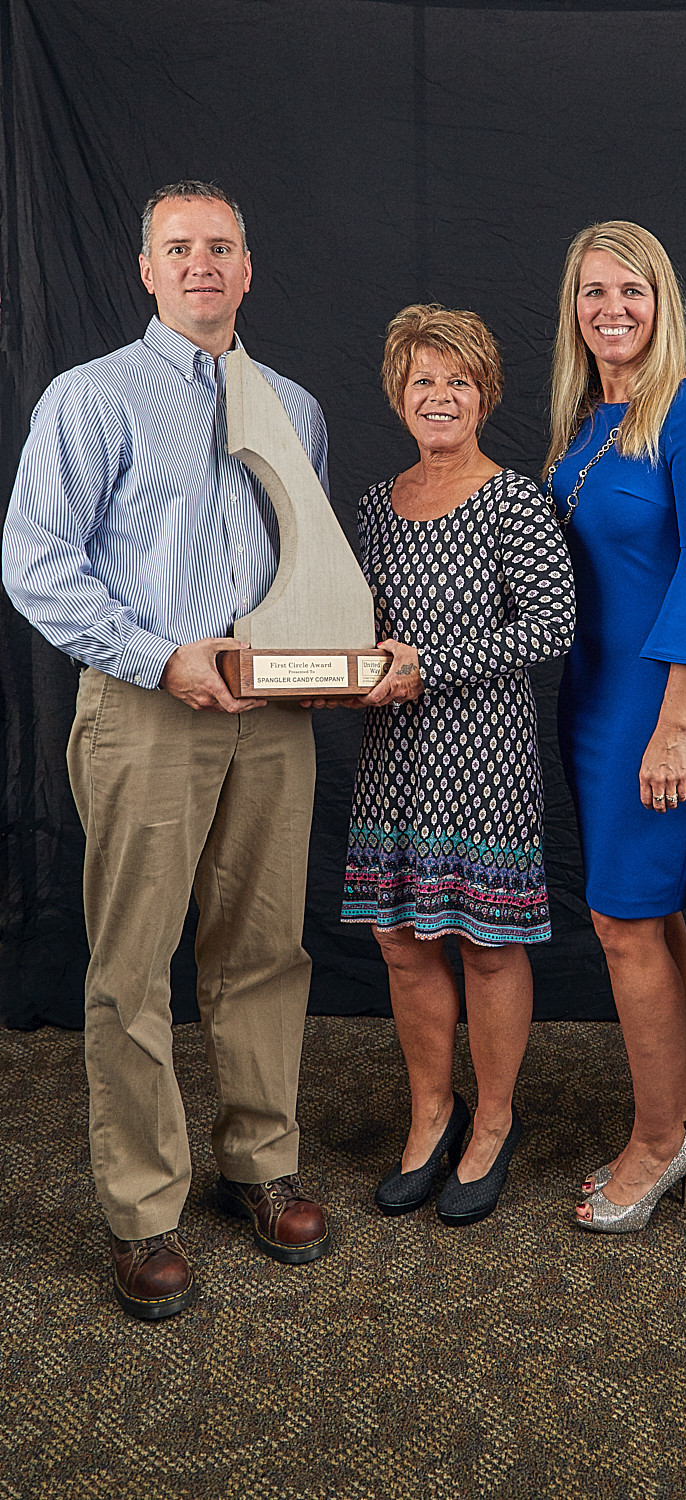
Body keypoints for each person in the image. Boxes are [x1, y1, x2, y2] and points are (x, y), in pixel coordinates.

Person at [2, 181, 332, 1320]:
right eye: (179, 247)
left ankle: (262, 1161)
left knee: (264, 950)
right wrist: (157, 658)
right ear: (147, 269)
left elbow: (309, 563)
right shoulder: (92, 398)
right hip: (151, 708)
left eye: (222, 247)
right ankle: (144, 1211)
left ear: (249, 269)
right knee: (134, 968)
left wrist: (333, 655)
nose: (203, 264)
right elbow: (37, 562)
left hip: (274, 717)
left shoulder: (291, 404)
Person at [341, 304, 575, 1227]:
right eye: (422, 382)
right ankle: (433, 1113)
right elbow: (356, 630)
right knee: (402, 939)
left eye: (458, 382)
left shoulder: (515, 499)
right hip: (392, 757)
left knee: (485, 940)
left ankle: (496, 1122)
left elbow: (552, 626)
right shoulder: (375, 503)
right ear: (399, 395)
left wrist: (428, 665)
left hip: (481, 753)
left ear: (485, 394)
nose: (439, 398)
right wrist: (346, 668)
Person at [543, 221, 686, 1232]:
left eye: (632, 290)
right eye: (592, 292)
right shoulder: (589, 421)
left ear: (662, 302)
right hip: (592, 702)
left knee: (625, 922)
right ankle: (676, 1120)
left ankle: (659, 1144)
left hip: (664, 707)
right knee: (648, 916)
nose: (611, 309)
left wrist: (673, 727)